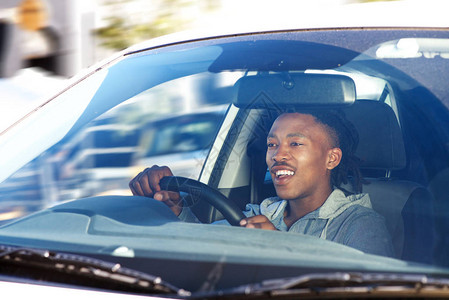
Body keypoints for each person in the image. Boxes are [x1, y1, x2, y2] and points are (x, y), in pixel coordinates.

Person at [129, 110, 394, 257]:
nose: (277, 155)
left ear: (331, 158)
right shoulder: (259, 214)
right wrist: (175, 209)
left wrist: (282, 249)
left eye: (295, 143)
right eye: (271, 144)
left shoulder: (360, 224)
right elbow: (201, 248)